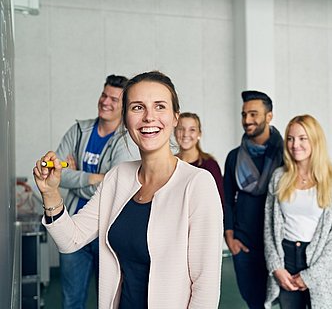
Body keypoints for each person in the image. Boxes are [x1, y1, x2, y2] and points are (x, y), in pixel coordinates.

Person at [33, 71, 223, 309]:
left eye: (160, 106)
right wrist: (50, 193)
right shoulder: (118, 177)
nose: (149, 117)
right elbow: (71, 239)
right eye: (137, 108)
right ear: (125, 119)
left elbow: (205, 286)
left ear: (175, 117)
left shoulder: (197, 184)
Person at [55, 74, 139, 309]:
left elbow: (114, 185)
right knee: (72, 301)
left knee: (109, 300)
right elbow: (57, 173)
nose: (106, 102)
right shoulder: (79, 130)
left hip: (107, 231)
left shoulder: (126, 139)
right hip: (73, 227)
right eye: (104, 95)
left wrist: (76, 176)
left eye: (114, 99)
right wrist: (93, 177)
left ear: (123, 106)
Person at [264, 114, 332, 309]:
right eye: (290, 138)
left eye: (302, 138)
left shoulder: (331, 182)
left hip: (318, 261)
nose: (295, 144)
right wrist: (276, 266)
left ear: (315, 140)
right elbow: (269, 228)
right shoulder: (279, 177)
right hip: (285, 259)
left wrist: (311, 275)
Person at [223, 90, 283, 309]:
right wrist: (229, 236)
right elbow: (227, 199)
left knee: (287, 301)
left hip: (278, 245)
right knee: (254, 303)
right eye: (244, 114)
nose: (247, 120)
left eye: (253, 114)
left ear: (269, 116)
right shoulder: (234, 157)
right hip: (244, 244)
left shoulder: (285, 154)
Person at [174, 112, 224, 207]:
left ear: (199, 134)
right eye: (181, 129)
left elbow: (219, 203)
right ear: (175, 132)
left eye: (192, 130)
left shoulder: (210, 165)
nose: (185, 134)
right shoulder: (169, 164)